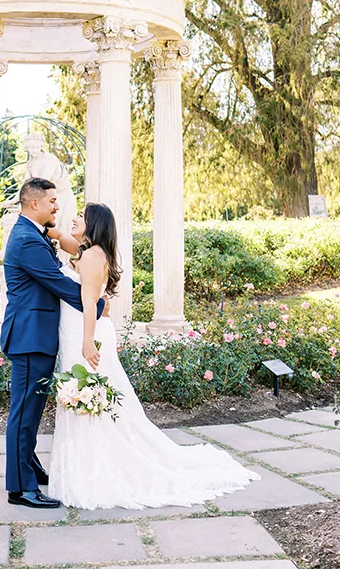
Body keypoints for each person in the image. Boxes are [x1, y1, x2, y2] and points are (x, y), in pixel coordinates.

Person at [46, 202, 260, 510]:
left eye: (82, 216)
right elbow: (60, 235)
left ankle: (96, 470)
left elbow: (91, 301)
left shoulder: (92, 257)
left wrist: (87, 342)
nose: (75, 218)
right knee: (86, 398)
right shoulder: (85, 251)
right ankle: (86, 466)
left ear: (94, 226)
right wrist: (39, 221)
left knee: (89, 398)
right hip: (74, 334)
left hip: (85, 335)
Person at [1, 177, 106, 509]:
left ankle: (28, 467)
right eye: (52, 202)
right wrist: (98, 306)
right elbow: (58, 282)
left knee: (30, 410)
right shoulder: (27, 239)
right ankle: (20, 488)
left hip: (36, 334)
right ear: (34, 204)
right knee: (24, 413)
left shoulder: (31, 233)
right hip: (30, 336)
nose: (57, 207)